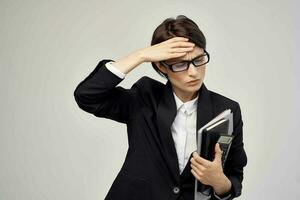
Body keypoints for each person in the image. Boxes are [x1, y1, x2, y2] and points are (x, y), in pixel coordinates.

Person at [73, 15, 247, 200]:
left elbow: (234, 177)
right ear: (161, 66)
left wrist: (218, 181)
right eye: (180, 64)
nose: (193, 72)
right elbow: (87, 96)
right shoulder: (144, 97)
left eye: (199, 59)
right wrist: (140, 55)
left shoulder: (227, 110)